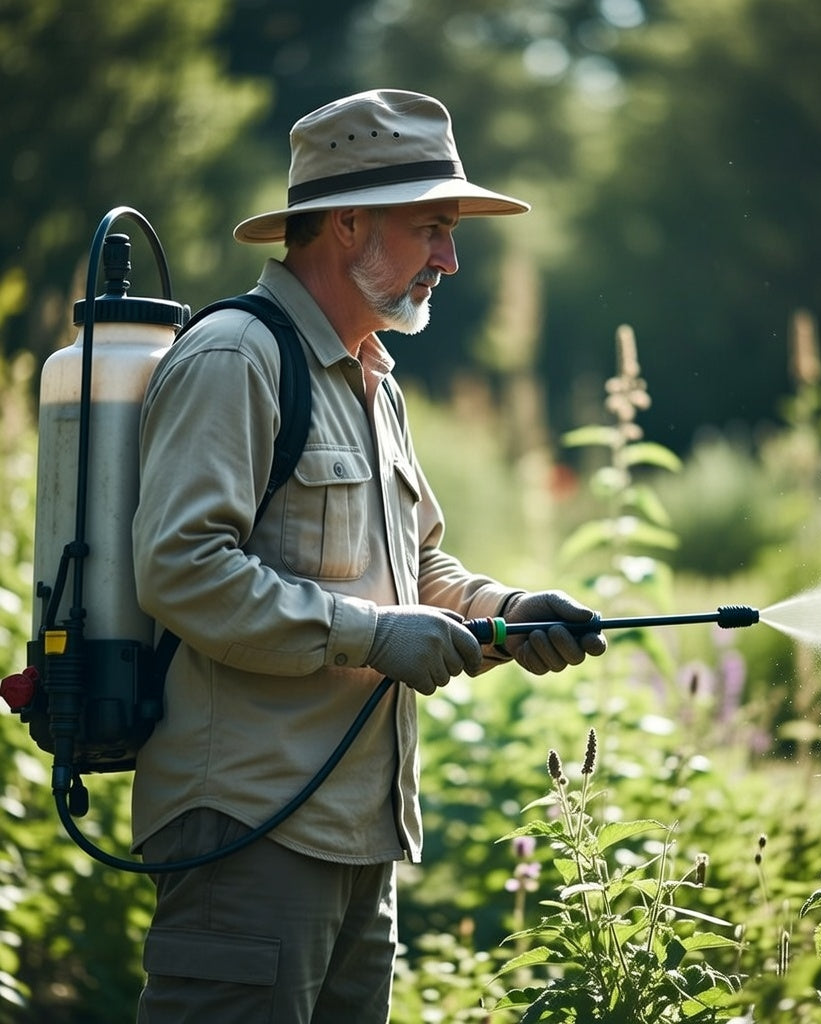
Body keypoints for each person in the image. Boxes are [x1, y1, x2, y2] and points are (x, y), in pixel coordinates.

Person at [130, 88, 607, 1023]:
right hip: (249, 833)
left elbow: (419, 566)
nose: (452, 259)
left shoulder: (372, 380)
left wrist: (505, 612)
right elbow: (183, 568)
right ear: (348, 225)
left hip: (359, 838)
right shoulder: (235, 358)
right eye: (432, 227)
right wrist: (374, 635)